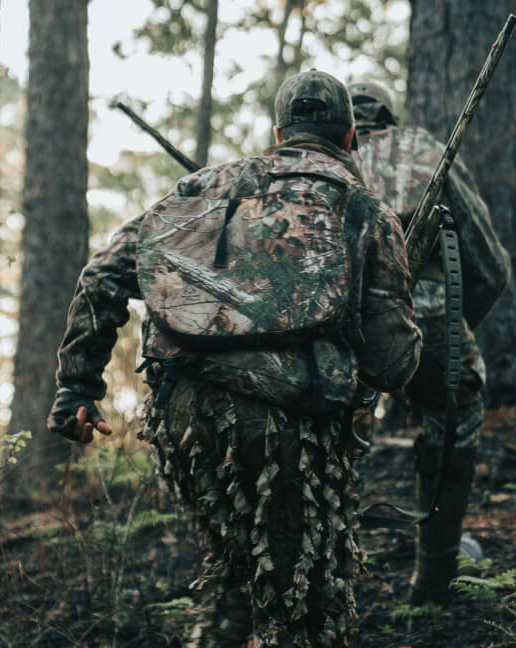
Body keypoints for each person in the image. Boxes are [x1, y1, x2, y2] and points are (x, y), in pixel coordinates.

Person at [47, 70, 421, 647]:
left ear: (277, 131)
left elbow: (102, 275)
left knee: (234, 576)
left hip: (184, 424)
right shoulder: (365, 211)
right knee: (304, 609)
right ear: (350, 137)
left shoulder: (201, 188)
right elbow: (394, 365)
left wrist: (77, 388)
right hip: (289, 434)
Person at [347, 77, 512, 605]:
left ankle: (325, 578)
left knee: (325, 447)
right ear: (388, 116)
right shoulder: (421, 150)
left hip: (333, 332)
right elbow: (488, 263)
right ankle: (435, 574)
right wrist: (453, 327)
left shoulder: (316, 161)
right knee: (452, 420)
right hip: (429, 319)